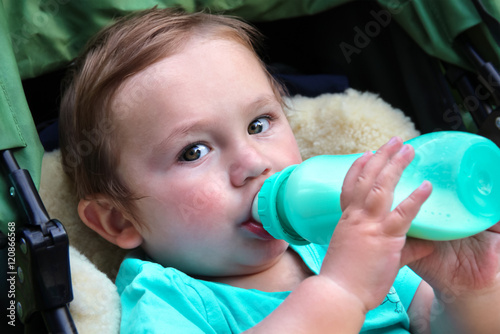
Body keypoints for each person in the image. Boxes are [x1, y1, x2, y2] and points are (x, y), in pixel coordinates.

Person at [59, 8, 500, 333]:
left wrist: (471, 292)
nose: (252, 162)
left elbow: (439, 325)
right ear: (119, 219)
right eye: (193, 151)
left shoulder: (342, 239)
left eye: (259, 124)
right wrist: (342, 292)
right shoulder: (167, 301)